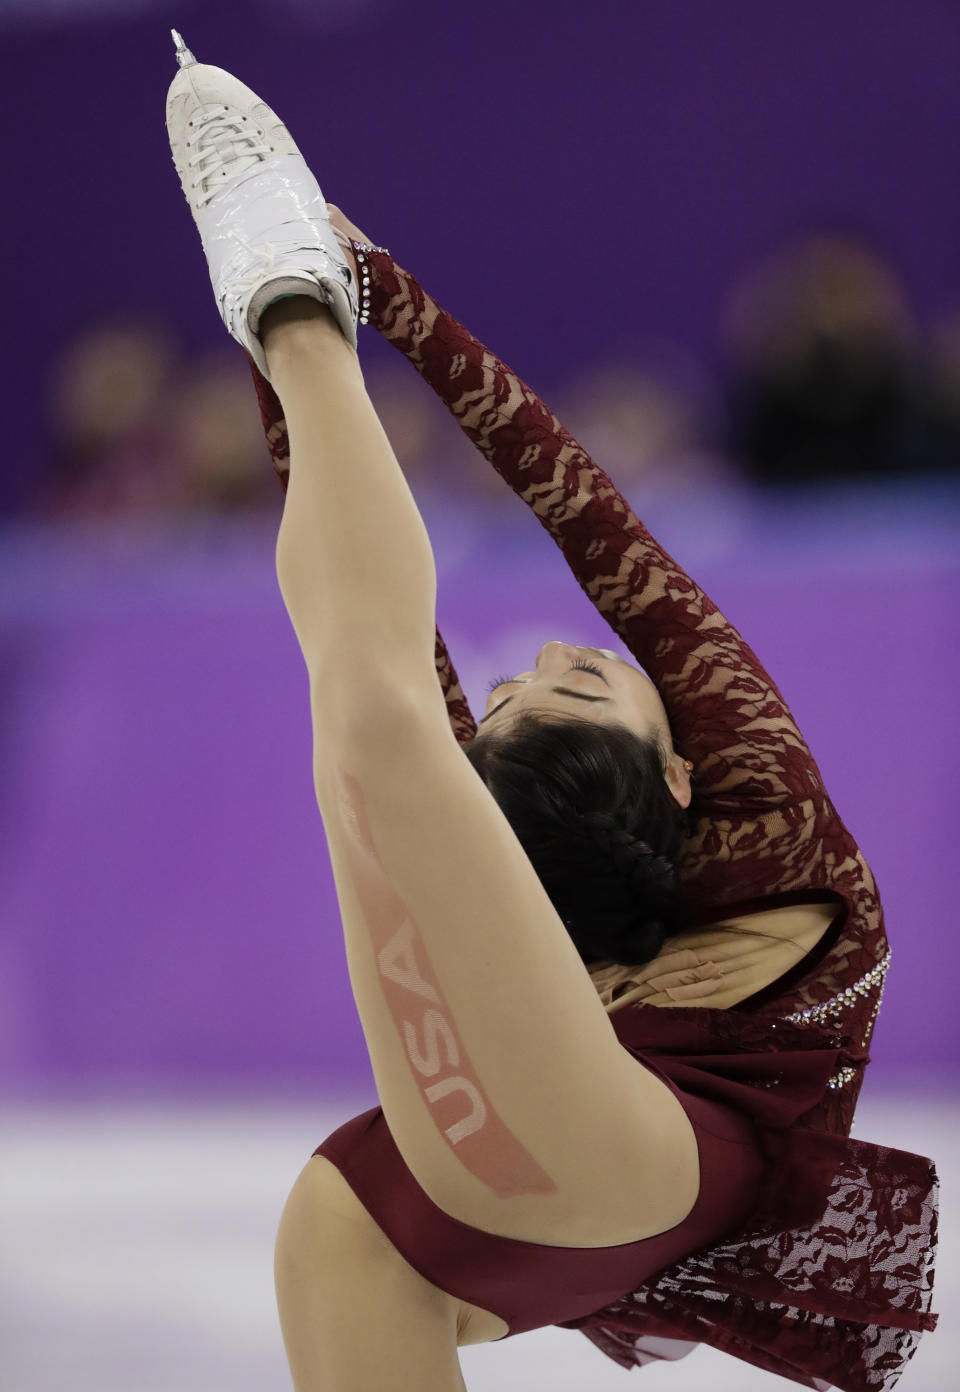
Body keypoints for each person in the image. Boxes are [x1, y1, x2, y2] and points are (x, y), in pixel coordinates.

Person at [165, 32, 939, 1392]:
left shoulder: (755, 796)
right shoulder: (705, 813)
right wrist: (339, 333)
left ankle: (284, 300)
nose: (547, 654)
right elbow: (444, 607)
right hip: (537, 1133)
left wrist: (361, 315)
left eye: (546, 681)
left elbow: (560, 528)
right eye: (561, 679)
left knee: (379, 722)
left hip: (643, 1163)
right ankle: (284, 303)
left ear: (687, 777)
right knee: (337, 1221)